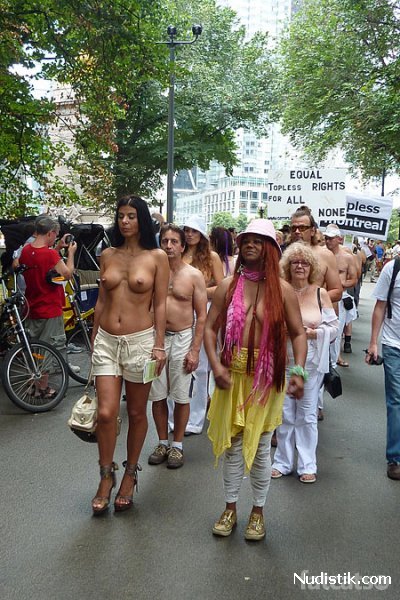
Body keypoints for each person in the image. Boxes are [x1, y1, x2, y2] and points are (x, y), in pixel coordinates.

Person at [204, 220, 307, 541]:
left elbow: (298, 333)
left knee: (261, 449)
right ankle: (230, 508)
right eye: (246, 240)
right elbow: (209, 328)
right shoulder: (228, 286)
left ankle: (258, 513)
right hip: (231, 375)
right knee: (233, 447)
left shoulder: (283, 290)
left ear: (271, 249)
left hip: (267, 378)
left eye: (259, 241)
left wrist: (298, 371)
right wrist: (215, 366)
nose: (250, 244)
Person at [90, 195, 169, 515]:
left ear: (142, 220)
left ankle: (130, 473)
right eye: (121, 216)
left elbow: (160, 303)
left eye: (131, 216)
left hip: (140, 342)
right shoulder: (108, 254)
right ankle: (105, 475)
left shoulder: (157, 257)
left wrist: (159, 344)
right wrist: (94, 336)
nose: (125, 221)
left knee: (137, 412)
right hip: (107, 342)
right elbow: (101, 300)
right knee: (106, 412)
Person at [271, 243, 338, 483]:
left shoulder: (320, 294)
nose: (300, 266)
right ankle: (282, 461)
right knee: (284, 413)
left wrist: (313, 333)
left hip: (310, 364)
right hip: (282, 360)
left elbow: (334, 327)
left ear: (312, 268)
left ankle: (308, 464)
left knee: (307, 415)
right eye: (295, 262)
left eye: (305, 263)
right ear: (287, 266)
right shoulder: (279, 290)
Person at [148, 224, 207, 468]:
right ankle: (162, 442)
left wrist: (195, 350)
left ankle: (178, 445)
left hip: (182, 337)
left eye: (174, 241)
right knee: (157, 394)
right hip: (156, 339)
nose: (169, 246)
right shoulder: (153, 273)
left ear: (183, 246)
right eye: (165, 241)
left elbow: (201, 315)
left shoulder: (193, 275)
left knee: (182, 396)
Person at [20, 216, 77, 396]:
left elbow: (25, 265)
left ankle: (33, 385)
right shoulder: (50, 254)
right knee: (49, 347)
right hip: (50, 308)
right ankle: (42, 388)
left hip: (31, 307)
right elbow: (67, 274)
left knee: (35, 349)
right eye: (56, 235)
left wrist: (57, 247)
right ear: (51, 233)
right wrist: (71, 253)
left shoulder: (26, 250)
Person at [178, 215, 224, 435]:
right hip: (180, 313)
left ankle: (195, 419)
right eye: (187, 230)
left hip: (204, 313)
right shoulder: (179, 253)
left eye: (194, 231)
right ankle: (175, 417)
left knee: (201, 367)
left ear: (202, 234)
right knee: (178, 364)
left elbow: (223, 286)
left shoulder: (212, 257)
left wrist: (199, 292)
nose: (189, 234)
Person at [366, 256, 400, 480]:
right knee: (396, 400)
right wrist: (373, 343)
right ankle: (395, 458)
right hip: (393, 344)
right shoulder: (392, 268)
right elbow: (380, 306)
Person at [324, 224, 358, 366]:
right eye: (326, 238)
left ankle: (333, 362)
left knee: (336, 331)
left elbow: (354, 279)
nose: (328, 241)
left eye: (331, 238)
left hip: (339, 298)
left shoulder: (347, 257)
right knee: (321, 330)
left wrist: (342, 284)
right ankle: (323, 363)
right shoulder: (321, 254)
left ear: (339, 239)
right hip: (323, 297)